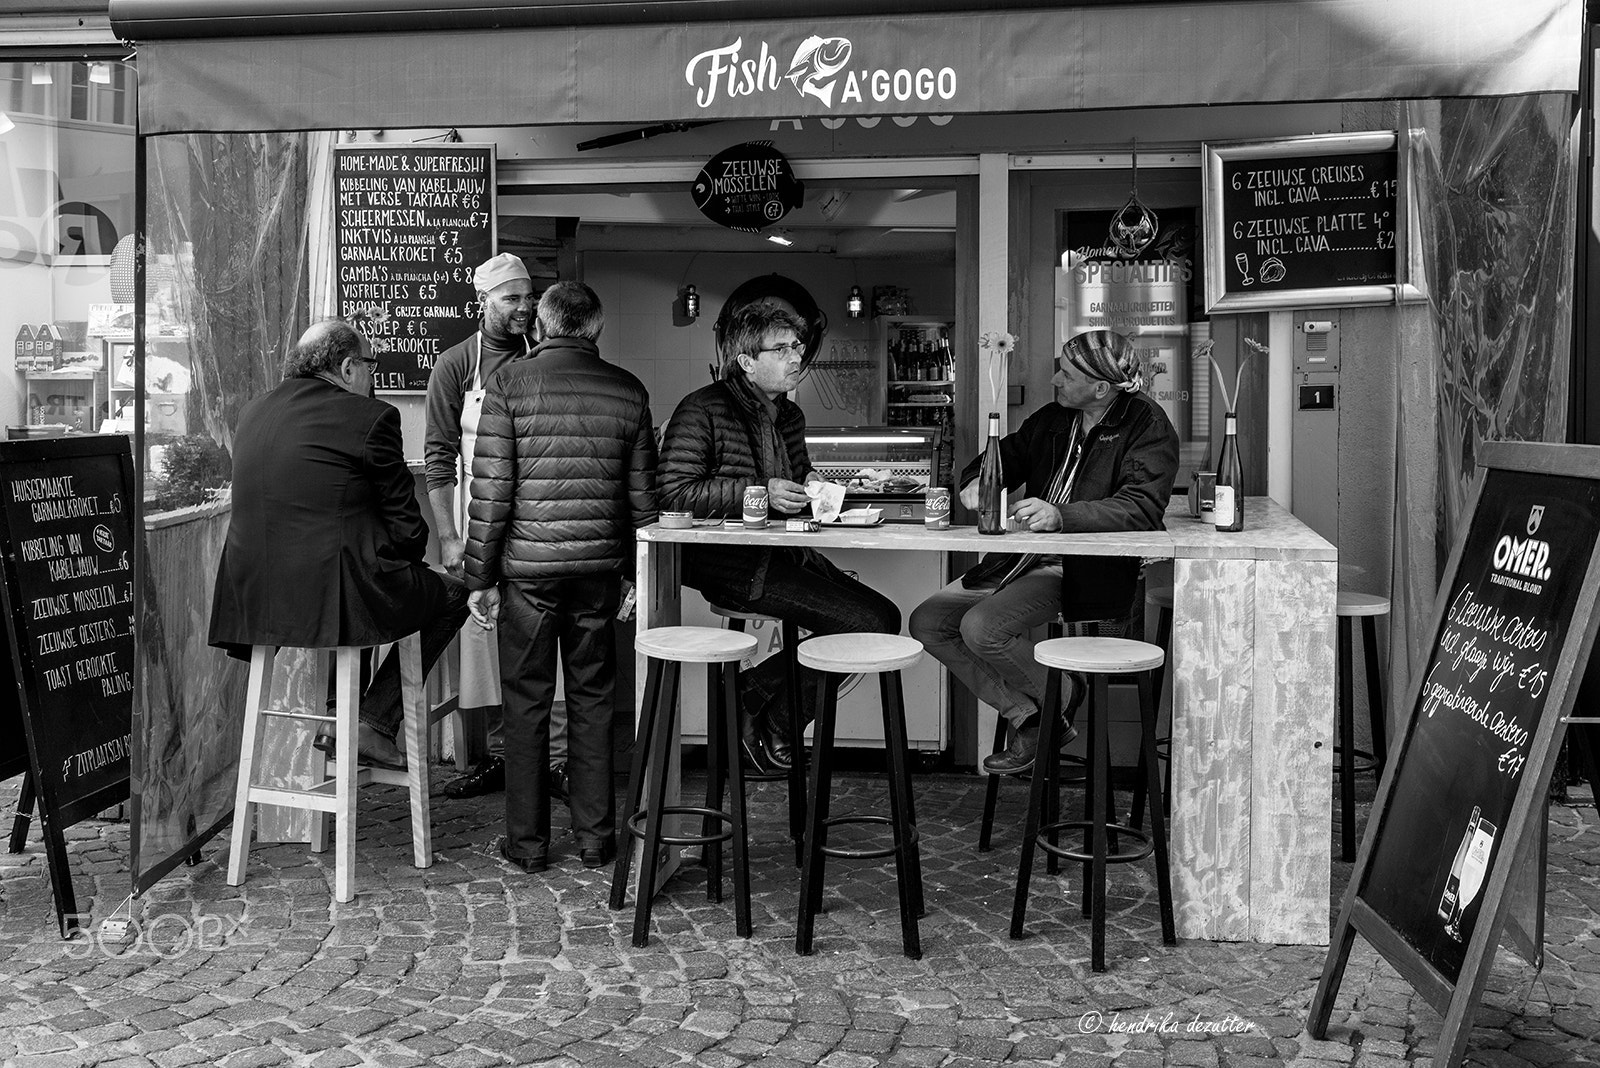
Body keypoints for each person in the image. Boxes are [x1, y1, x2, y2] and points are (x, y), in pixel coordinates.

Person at [909, 328, 1178, 776]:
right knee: (929, 622)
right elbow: (1006, 456)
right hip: (1018, 559)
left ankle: (1059, 698)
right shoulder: (1054, 417)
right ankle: (1034, 715)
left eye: (1066, 374)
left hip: (1081, 570)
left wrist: (1061, 516)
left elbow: (1142, 508)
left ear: (1100, 388)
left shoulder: (1147, 425)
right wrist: (977, 480)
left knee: (981, 628)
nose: (1055, 380)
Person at [210, 319, 470, 768]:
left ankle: (336, 712)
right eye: (372, 364)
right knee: (451, 593)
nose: (373, 376)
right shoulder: (371, 417)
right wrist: (409, 561)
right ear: (349, 367)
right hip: (329, 597)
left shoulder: (254, 411)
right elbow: (408, 531)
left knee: (363, 582)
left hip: (252, 598)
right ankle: (371, 722)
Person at [658, 298, 901, 774]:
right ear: (747, 362)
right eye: (783, 348)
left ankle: (757, 700)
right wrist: (760, 493)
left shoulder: (788, 415)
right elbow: (676, 493)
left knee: (884, 617)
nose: (797, 358)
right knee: (865, 623)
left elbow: (798, 473)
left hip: (787, 553)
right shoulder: (702, 409)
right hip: (730, 564)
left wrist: (814, 489)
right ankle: (773, 717)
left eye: (798, 346)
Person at [464, 281, 657, 873]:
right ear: (594, 329)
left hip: (527, 573)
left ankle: (527, 845)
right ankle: (597, 838)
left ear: (543, 325)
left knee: (526, 703)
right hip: (598, 571)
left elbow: (492, 492)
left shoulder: (510, 385)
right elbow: (642, 499)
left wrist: (479, 576)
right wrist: (636, 572)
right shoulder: (628, 390)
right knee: (595, 700)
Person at [425, 253, 571, 802]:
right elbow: (439, 456)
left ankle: (554, 761)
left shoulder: (546, 357)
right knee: (485, 643)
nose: (523, 307)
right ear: (482, 302)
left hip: (538, 520)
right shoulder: (456, 364)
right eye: (511, 298)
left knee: (544, 636)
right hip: (480, 521)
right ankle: (505, 759)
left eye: (529, 297)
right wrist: (449, 535)